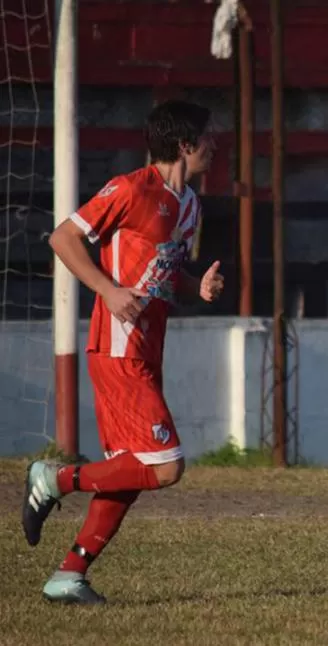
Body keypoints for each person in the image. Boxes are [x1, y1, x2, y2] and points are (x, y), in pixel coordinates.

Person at [22, 99, 225, 604]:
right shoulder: (130, 188)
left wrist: (196, 283)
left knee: (131, 472)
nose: (214, 145)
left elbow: (163, 265)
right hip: (116, 347)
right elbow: (63, 237)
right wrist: (107, 290)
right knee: (166, 465)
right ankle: (54, 478)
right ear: (184, 144)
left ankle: (69, 575)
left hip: (148, 348)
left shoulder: (190, 204)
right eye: (208, 137)